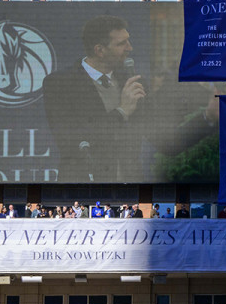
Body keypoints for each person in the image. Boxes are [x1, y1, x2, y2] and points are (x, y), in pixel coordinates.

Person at [42, 15, 147, 183]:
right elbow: (71, 140)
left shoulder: (132, 82)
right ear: (99, 50)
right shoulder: (60, 84)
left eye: (128, 41)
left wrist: (204, 117)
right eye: (122, 43)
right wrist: (121, 112)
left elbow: (161, 137)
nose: (130, 48)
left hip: (131, 189)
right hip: (84, 187)